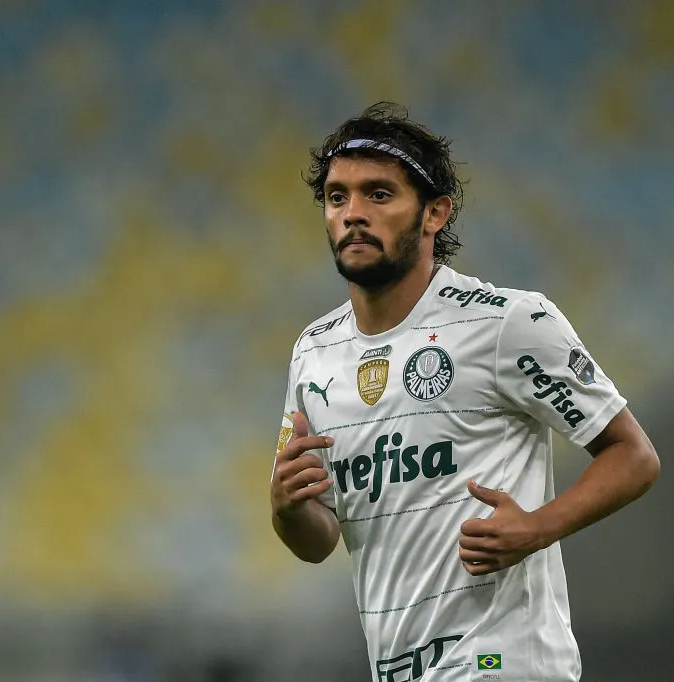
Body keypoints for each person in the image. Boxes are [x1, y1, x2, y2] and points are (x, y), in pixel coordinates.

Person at [269, 102, 660, 682]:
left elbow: (634, 457)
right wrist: (287, 509)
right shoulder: (314, 352)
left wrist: (538, 525)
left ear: (434, 214)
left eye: (379, 195)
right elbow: (318, 539)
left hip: (505, 662)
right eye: (336, 196)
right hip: (397, 664)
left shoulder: (507, 323)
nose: (352, 214)